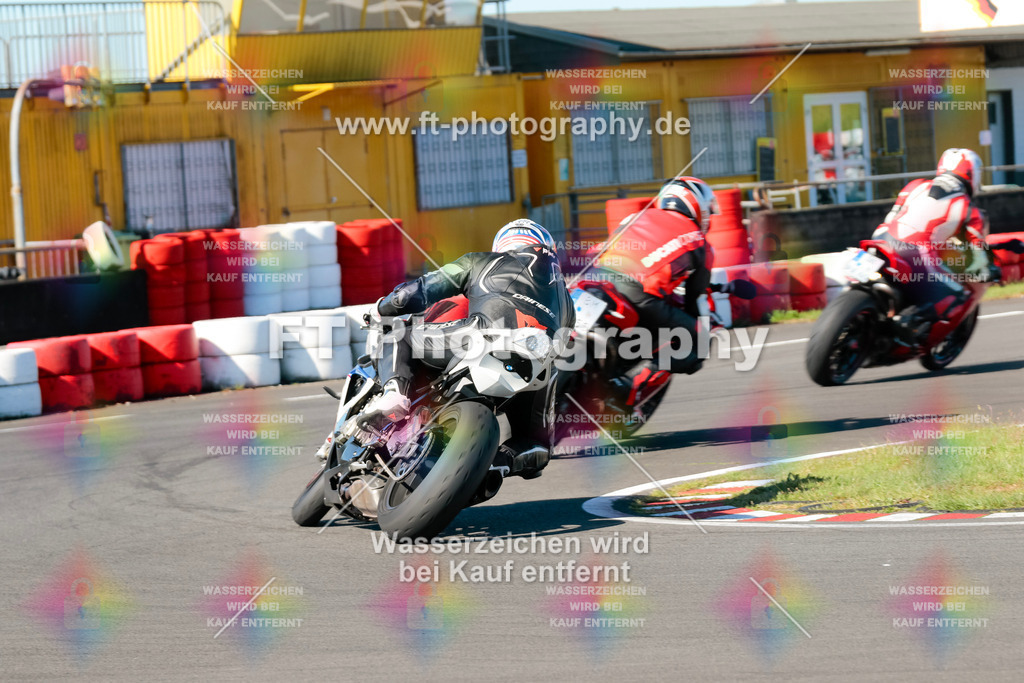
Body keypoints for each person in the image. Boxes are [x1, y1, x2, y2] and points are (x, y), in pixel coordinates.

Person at [362, 219, 574, 471]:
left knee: (400, 335)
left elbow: (418, 291)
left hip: (482, 337)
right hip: (536, 366)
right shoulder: (567, 302)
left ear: (503, 244)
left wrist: (381, 307)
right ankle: (500, 464)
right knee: (535, 442)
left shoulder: (484, 261)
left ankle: (395, 396)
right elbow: (564, 346)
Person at [586, 175, 718, 403]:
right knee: (697, 339)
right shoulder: (699, 241)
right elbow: (695, 299)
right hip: (640, 291)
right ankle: (631, 394)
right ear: (698, 206)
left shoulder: (634, 216)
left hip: (594, 276)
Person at [871, 148, 999, 345]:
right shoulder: (969, 209)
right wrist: (989, 270)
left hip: (880, 240)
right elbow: (977, 250)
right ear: (972, 175)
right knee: (957, 293)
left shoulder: (915, 186)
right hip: (916, 254)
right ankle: (907, 322)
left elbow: (892, 215)